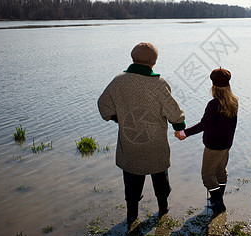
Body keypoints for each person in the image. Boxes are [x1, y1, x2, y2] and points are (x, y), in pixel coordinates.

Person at [98, 42, 186, 229]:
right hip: (155, 144)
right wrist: (179, 126)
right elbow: (174, 112)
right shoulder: (159, 84)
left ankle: (131, 216)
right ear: (154, 62)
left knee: (132, 180)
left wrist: (120, 119)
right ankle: (163, 209)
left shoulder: (118, 81)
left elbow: (103, 105)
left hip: (130, 145)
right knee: (160, 178)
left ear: (133, 58)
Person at [175, 67, 238, 212]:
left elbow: (203, 125)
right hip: (227, 144)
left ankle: (219, 203)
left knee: (207, 175)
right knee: (221, 171)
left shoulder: (214, 104)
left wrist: (184, 133)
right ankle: (217, 197)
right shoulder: (234, 101)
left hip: (214, 146)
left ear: (213, 85)